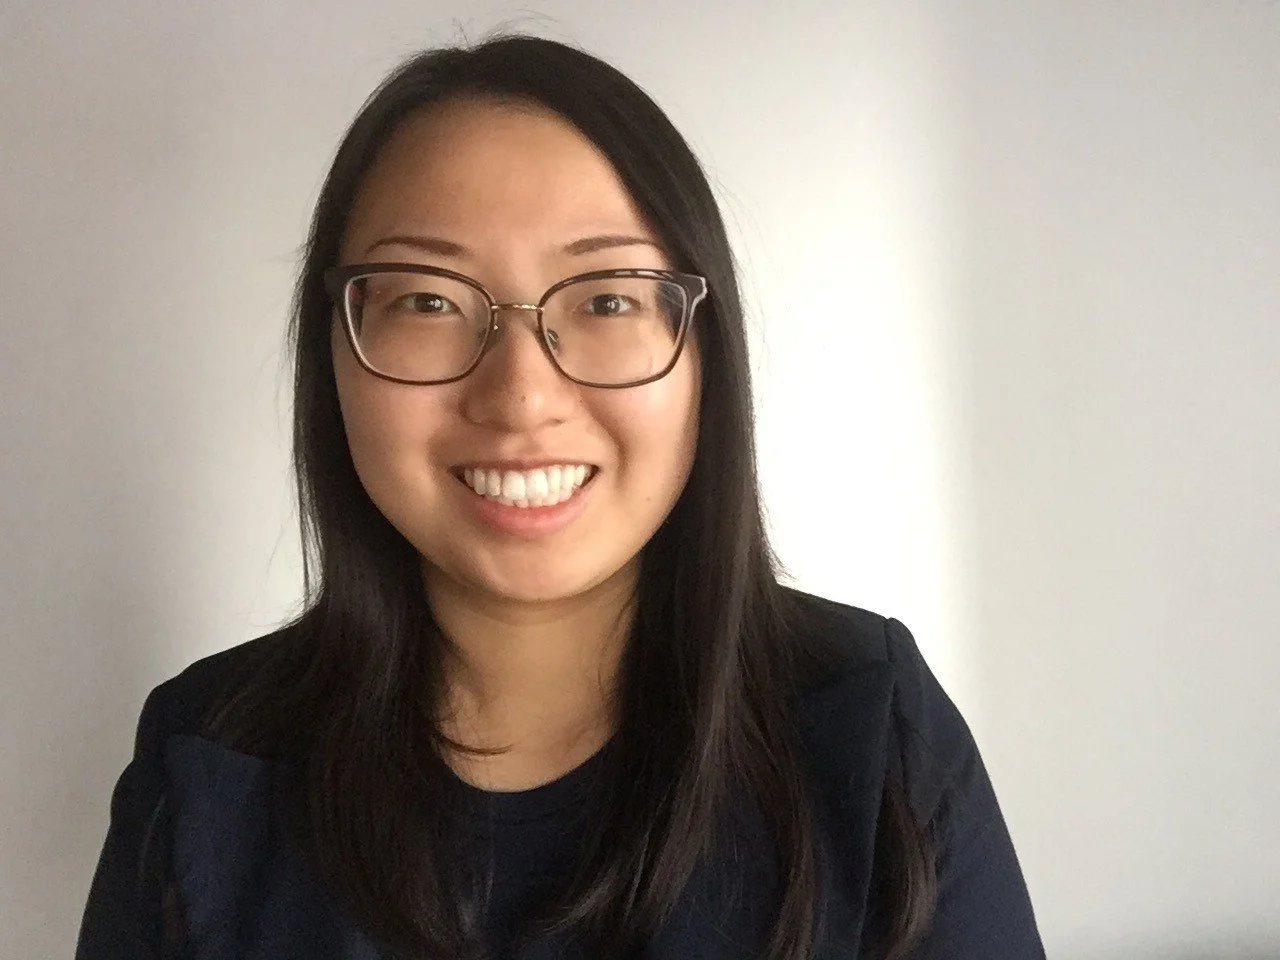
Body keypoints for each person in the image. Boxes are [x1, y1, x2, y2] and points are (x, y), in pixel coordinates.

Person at [76, 35, 1044, 960]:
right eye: (425, 300)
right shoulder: (209, 756)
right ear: (332, 351)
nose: (519, 397)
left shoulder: (867, 725)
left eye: (606, 299)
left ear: (704, 352)